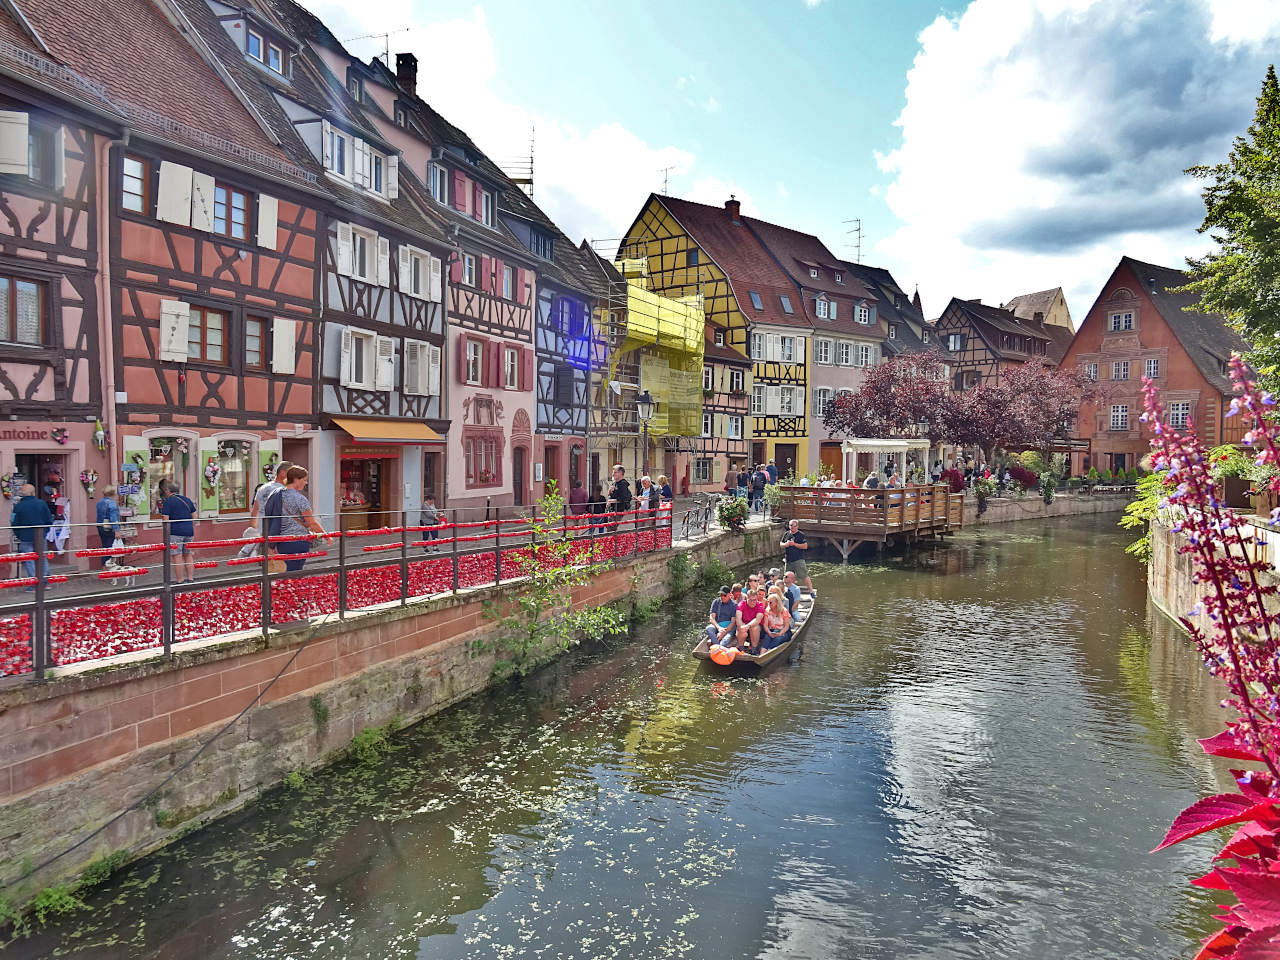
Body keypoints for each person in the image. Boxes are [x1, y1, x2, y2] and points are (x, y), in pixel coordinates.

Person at [269, 466, 327, 571]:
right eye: (304, 480)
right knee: (294, 572)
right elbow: (311, 523)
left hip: (282, 541)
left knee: (286, 570)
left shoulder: (277, 495)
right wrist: (326, 536)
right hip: (298, 541)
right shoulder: (300, 499)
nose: (306, 483)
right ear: (296, 479)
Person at [9, 483, 52, 590]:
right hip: (40, 535)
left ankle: (34, 583)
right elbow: (49, 520)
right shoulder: (41, 503)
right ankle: (45, 582)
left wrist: (19, 534)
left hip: (25, 536)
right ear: (33, 492)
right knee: (42, 558)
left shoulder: (18, 506)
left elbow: (14, 522)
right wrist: (45, 531)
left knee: (29, 560)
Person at [159, 481, 197, 584]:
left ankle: (180, 580)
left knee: (177, 556)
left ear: (167, 491)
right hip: (189, 531)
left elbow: (165, 519)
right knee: (188, 555)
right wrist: (188, 526)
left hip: (175, 532)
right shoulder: (187, 500)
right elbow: (195, 517)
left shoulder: (168, 502)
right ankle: (190, 578)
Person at [251, 460, 292, 537]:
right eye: (291, 474)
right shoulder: (283, 490)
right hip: (279, 531)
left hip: (262, 529)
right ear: (283, 473)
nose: (293, 477)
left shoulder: (263, 487)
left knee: (263, 548)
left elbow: (255, 509)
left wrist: (255, 529)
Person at [781, 518, 815, 598]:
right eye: (790, 525)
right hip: (788, 559)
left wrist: (794, 544)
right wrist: (786, 544)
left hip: (798, 559)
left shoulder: (801, 535)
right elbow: (781, 544)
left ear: (797, 526)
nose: (791, 527)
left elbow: (805, 546)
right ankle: (787, 592)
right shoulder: (786, 534)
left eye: (793, 525)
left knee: (804, 575)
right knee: (786, 577)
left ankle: (811, 591)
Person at [95, 486, 121, 569]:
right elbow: (113, 517)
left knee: (104, 546)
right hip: (109, 527)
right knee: (110, 547)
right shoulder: (112, 503)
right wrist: (116, 530)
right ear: (112, 494)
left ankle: (103, 565)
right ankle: (108, 566)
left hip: (100, 526)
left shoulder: (100, 502)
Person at [736, 585, 766, 653]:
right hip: (745, 626)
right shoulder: (741, 604)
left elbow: (757, 619)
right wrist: (742, 626)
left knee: (754, 627)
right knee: (740, 627)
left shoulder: (760, 605)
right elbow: (738, 618)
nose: (753, 602)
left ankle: (754, 649)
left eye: (754, 600)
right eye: (750, 600)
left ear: (757, 599)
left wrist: (748, 626)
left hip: (757, 629)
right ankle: (741, 648)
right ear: (747, 599)